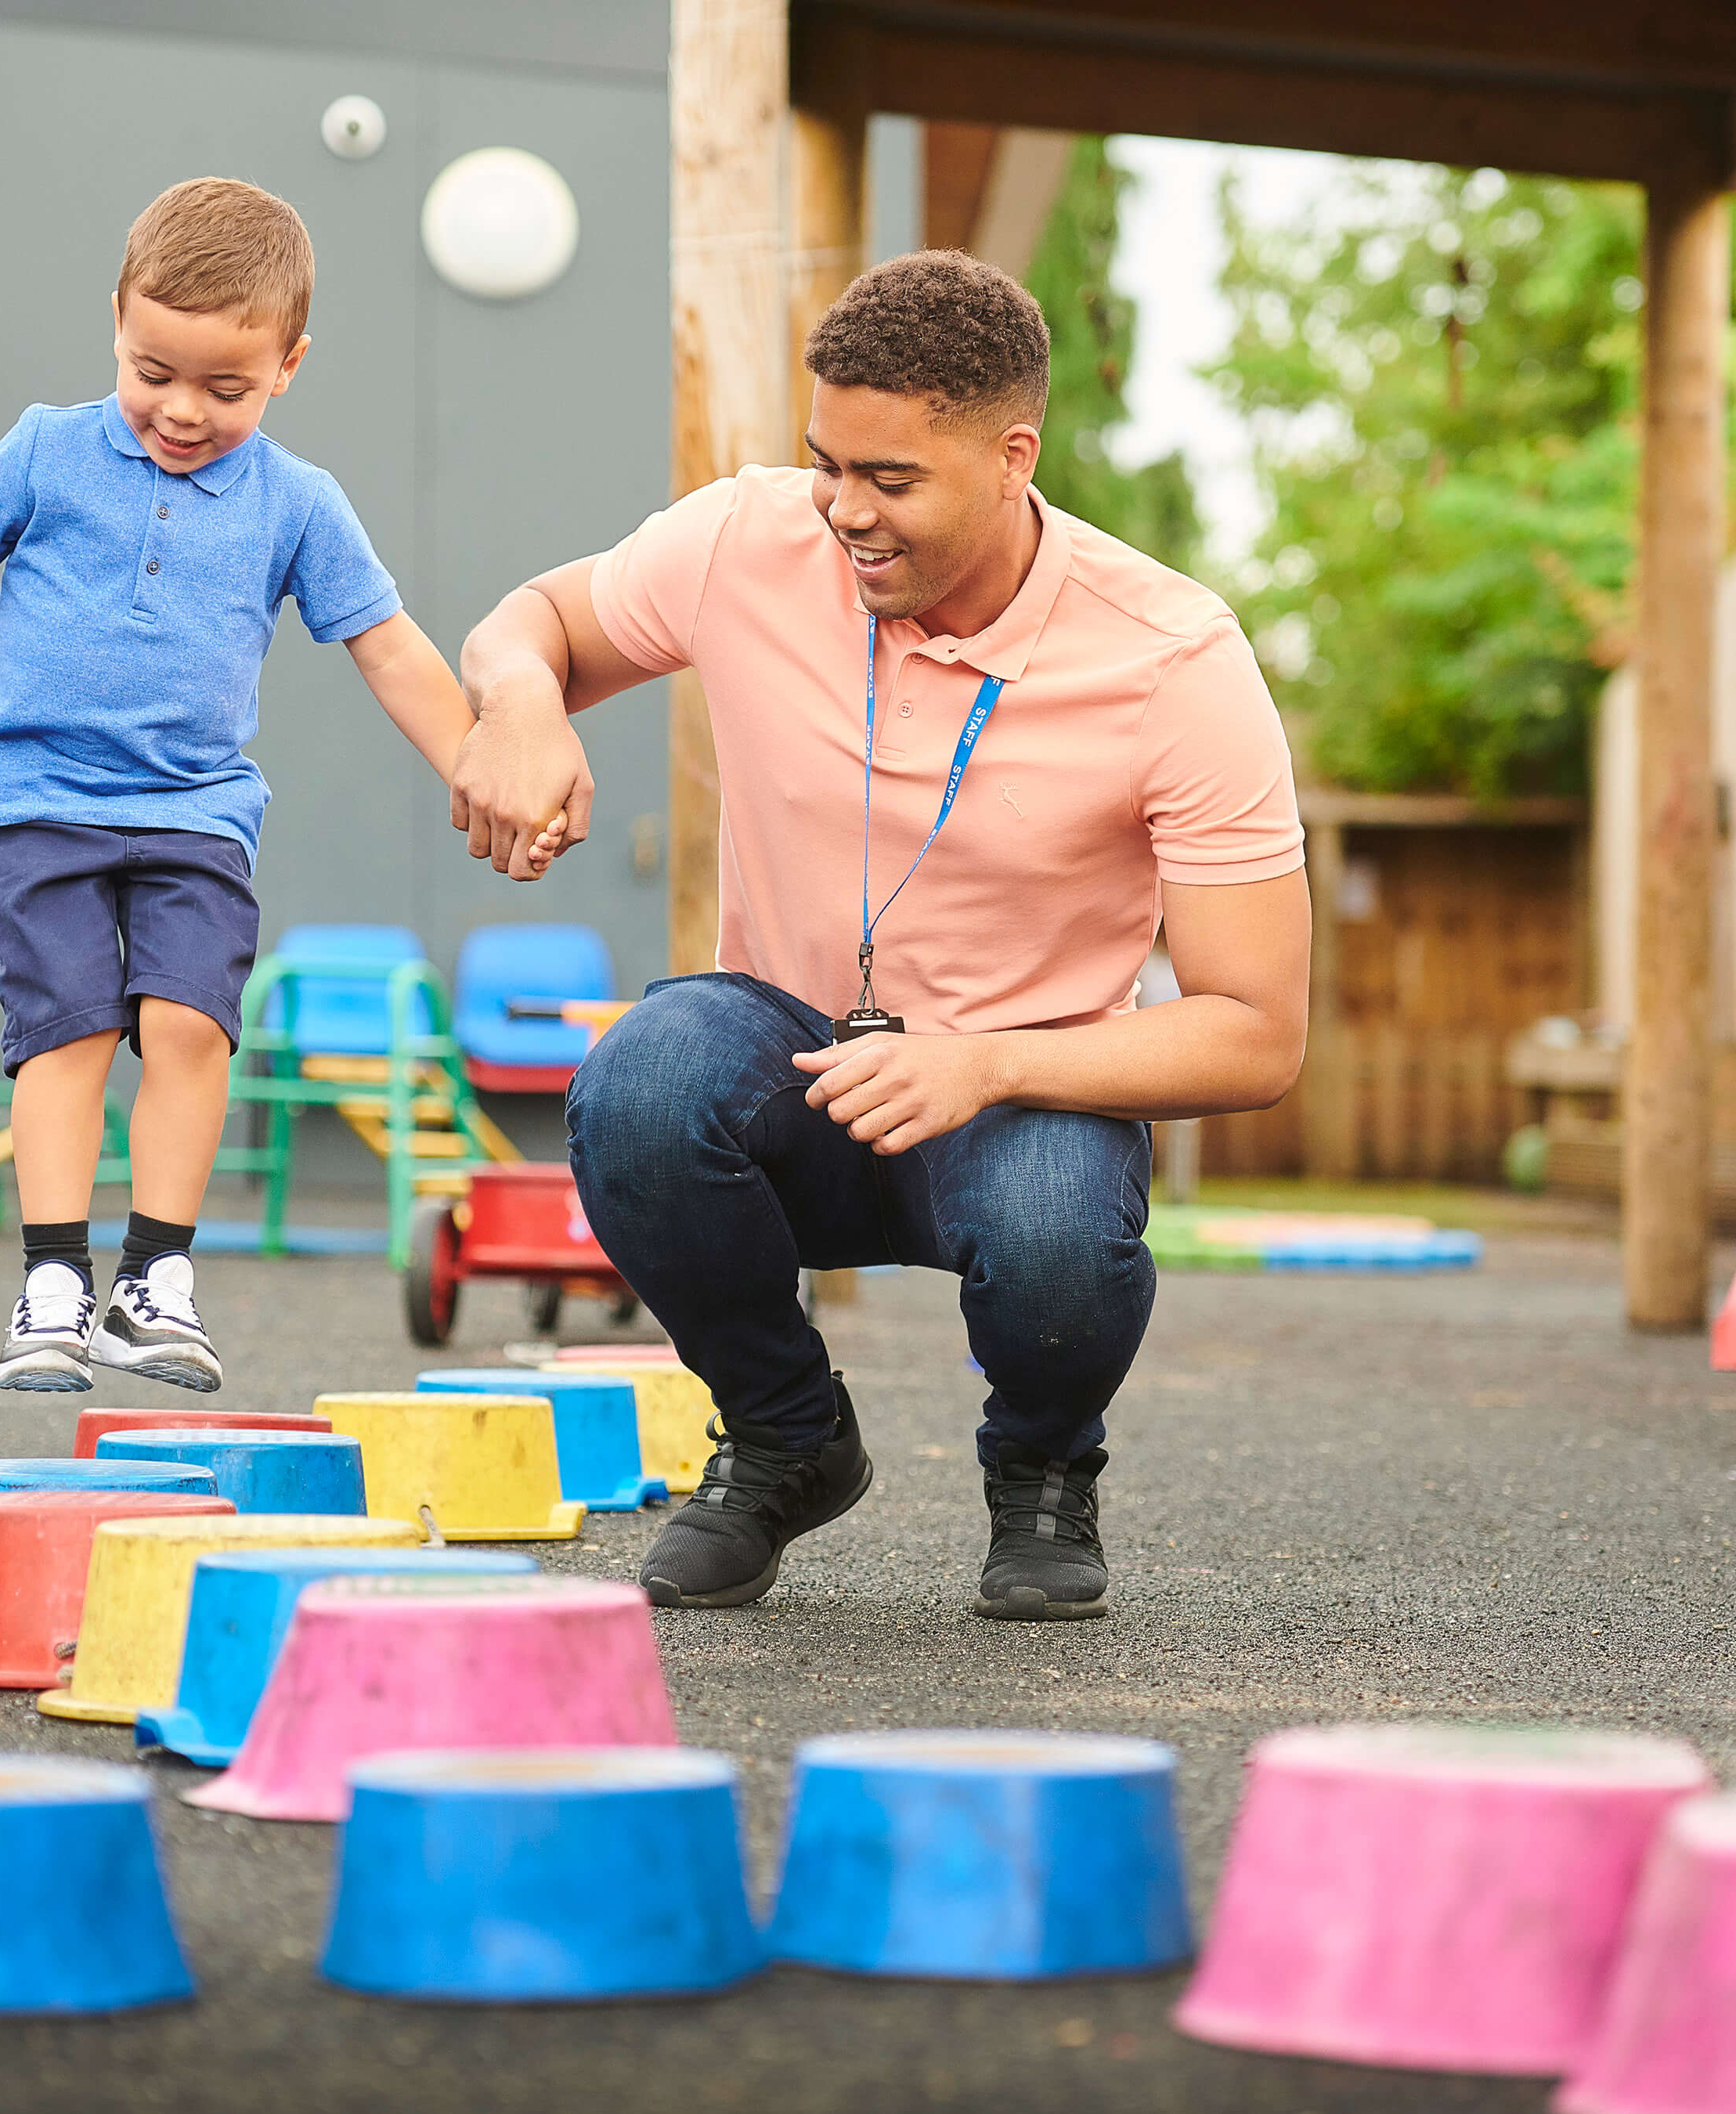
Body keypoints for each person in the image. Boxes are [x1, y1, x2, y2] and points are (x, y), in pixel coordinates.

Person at [453, 251, 1308, 1621]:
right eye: (824, 465)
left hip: (1024, 1095)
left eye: (891, 480)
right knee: (641, 1080)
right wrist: (518, 705)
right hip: (792, 1063)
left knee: (1051, 1237)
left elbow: (1256, 1031)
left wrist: (982, 1062)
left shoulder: (1173, 659)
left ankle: (1039, 1465)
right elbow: (534, 621)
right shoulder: (749, 538)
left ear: (1011, 455)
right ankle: (785, 1436)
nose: (844, 512)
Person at [0, 177, 521, 1394]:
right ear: (117, 321)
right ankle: (55, 1277)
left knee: (189, 1024)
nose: (182, 411)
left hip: (196, 808)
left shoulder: (298, 502)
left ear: (287, 366)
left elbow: (387, 647)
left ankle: (154, 1280)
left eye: (225, 389)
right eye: (153, 371)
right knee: (69, 1030)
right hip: (36, 797)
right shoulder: (47, 451)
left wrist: (477, 761)